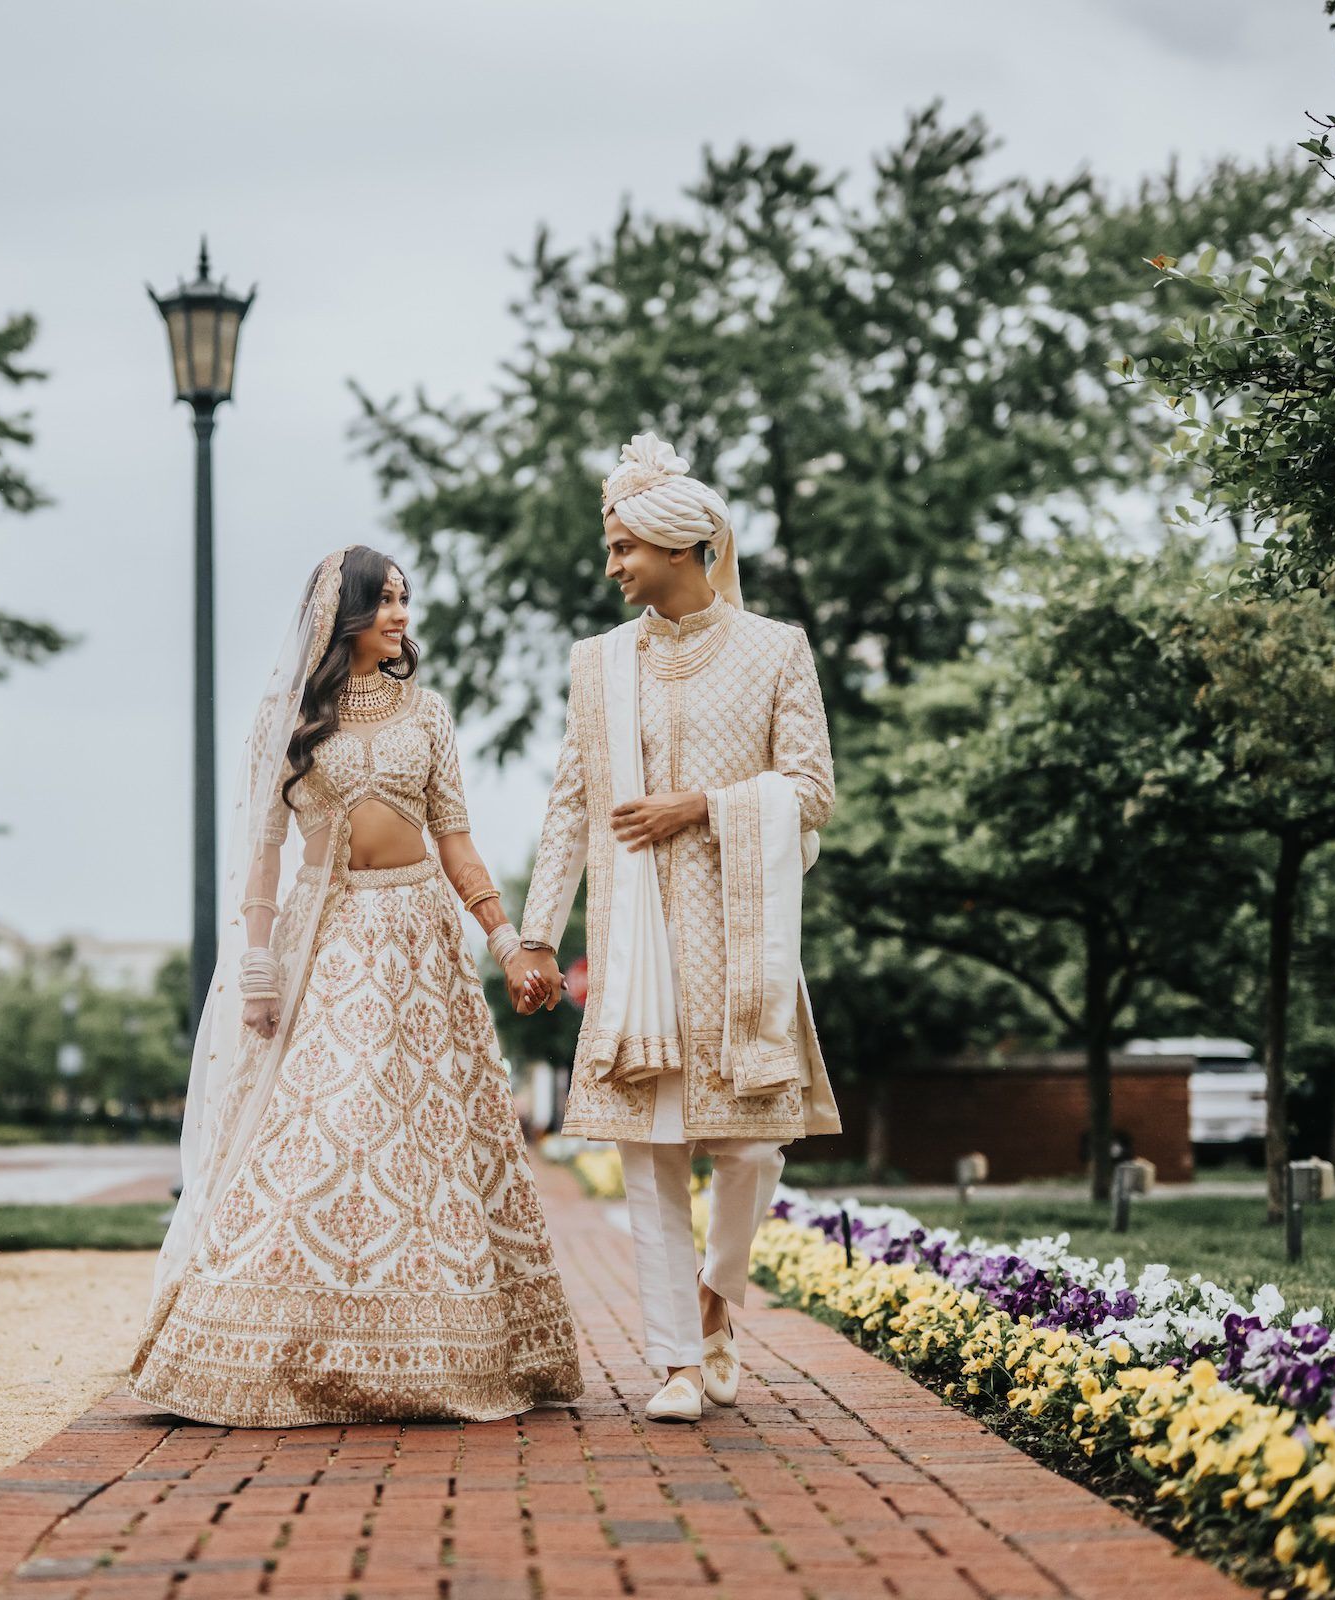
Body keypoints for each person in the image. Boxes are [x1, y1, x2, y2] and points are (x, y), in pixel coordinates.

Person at [132, 545, 582, 1427]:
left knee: (427, 1144)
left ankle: (434, 1348)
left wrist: (505, 937)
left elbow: (455, 837)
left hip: (420, 941)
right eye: (384, 601)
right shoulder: (288, 716)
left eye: (406, 600)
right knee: (325, 1124)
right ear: (342, 613)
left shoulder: (428, 713)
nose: (400, 616)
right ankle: (272, 1343)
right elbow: (264, 852)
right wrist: (257, 970)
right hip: (328, 938)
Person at [505, 434, 839, 1423]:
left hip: (742, 937)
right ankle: (677, 1361)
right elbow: (572, 806)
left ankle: (716, 1302)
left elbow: (812, 791)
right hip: (637, 938)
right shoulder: (599, 665)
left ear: (681, 546)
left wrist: (699, 806)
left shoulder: (776, 648)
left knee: (749, 1150)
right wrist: (534, 933)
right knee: (650, 1152)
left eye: (622, 547)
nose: (610, 566)